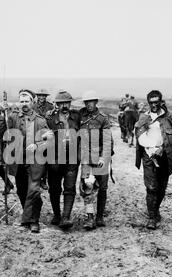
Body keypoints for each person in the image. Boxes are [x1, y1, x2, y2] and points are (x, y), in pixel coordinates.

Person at [5, 89, 53, 233]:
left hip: (35, 161)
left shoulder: (40, 120)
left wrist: (37, 145)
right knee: (21, 190)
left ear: (32, 102)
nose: (24, 104)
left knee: (34, 191)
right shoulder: (13, 117)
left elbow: (50, 140)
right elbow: (4, 132)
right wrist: (4, 114)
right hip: (19, 160)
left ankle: (34, 220)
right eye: (22, 101)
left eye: (27, 101)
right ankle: (27, 216)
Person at [135, 90, 172, 230]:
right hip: (149, 155)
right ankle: (151, 217)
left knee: (161, 187)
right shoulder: (144, 117)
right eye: (151, 103)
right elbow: (140, 137)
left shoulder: (170, 117)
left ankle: (156, 210)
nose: (154, 105)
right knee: (151, 187)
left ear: (161, 102)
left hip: (165, 155)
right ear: (148, 103)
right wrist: (152, 148)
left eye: (156, 102)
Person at [45, 90, 81, 230]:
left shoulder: (77, 116)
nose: (64, 106)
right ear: (56, 104)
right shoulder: (50, 119)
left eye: (67, 103)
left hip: (71, 158)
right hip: (54, 158)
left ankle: (66, 217)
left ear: (70, 103)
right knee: (54, 188)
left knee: (70, 188)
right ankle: (57, 215)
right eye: (61, 103)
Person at [79, 90, 113, 230]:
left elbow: (107, 141)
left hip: (100, 158)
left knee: (102, 188)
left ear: (96, 102)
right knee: (88, 187)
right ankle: (90, 217)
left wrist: (103, 157)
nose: (89, 104)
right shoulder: (80, 117)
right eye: (86, 102)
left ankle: (99, 216)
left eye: (91, 101)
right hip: (86, 158)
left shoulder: (103, 119)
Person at [33, 88, 54, 191]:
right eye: (40, 96)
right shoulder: (32, 106)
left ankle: (44, 179)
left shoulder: (50, 106)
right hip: (36, 134)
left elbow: (53, 119)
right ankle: (36, 178)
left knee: (45, 156)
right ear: (37, 96)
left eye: (44, 96)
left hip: (47, 133)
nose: (42, 97)